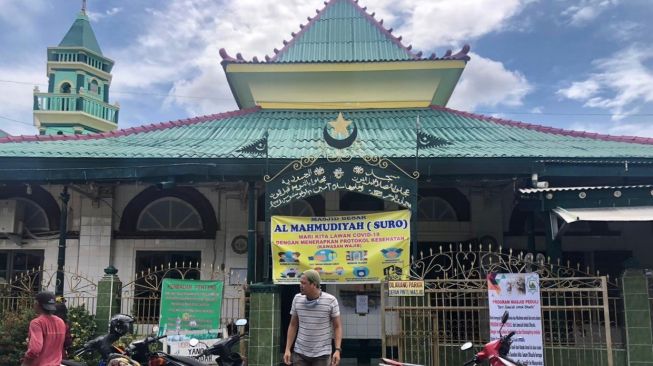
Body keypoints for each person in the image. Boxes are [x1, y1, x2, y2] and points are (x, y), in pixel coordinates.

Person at [284, 269, 342, 366]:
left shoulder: (330, 301)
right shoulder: (297, 299)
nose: (300, 285)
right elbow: (293, 325)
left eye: (304, 283)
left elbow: (337, 327)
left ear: (314, 284)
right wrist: (287, 349)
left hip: (322, 354)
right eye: (300, 282)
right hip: (300, 352)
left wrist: (337, 350)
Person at [21, 291, 67, 366]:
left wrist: (25, 362)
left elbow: (35, 350)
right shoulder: (60, 322)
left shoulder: (37, 323)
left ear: (37, 304)